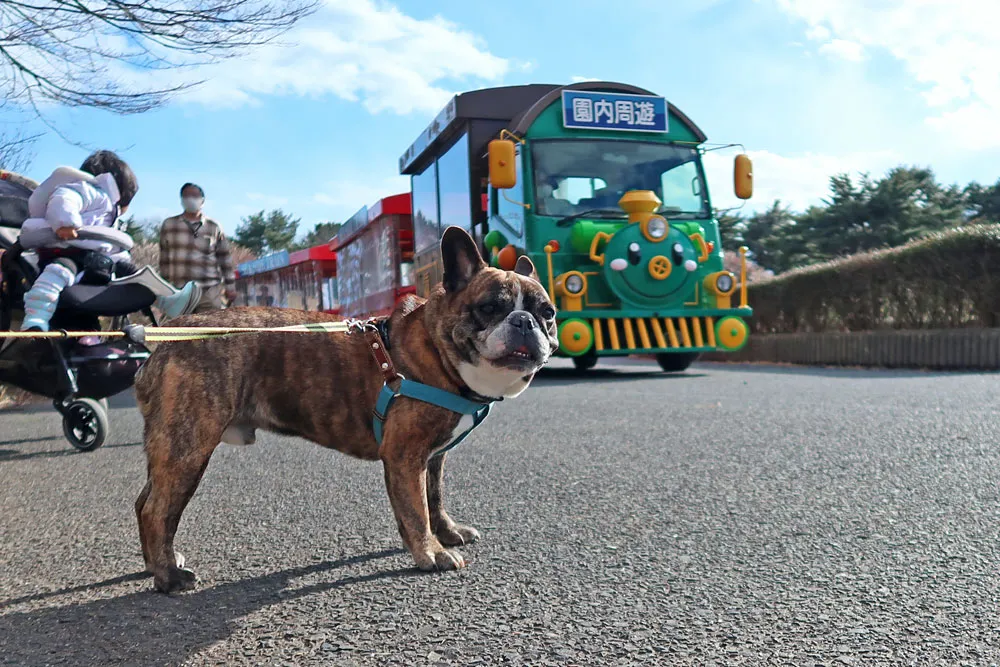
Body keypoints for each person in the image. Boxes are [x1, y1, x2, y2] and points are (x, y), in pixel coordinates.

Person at [17, 150, 201, 332]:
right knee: (55, 274)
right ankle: (36, 318)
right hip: (68, 252)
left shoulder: (107, 209)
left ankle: (167, 300)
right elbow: (64, 200)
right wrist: (65, 222)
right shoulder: (87, 190)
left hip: (95, 261)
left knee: (135, 273)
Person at [158, 183, 237, 312]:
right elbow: (164, 260)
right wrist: (163, 289)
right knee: (179, 329)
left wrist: (230, 287)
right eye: (186, 195)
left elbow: (225, 259)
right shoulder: (169, 225)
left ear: (202, 200)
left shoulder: (214, 226)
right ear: (181, 199)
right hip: (179, 291)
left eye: (195, 195)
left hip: (209, 291)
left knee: (209, 328)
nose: (190, 199)